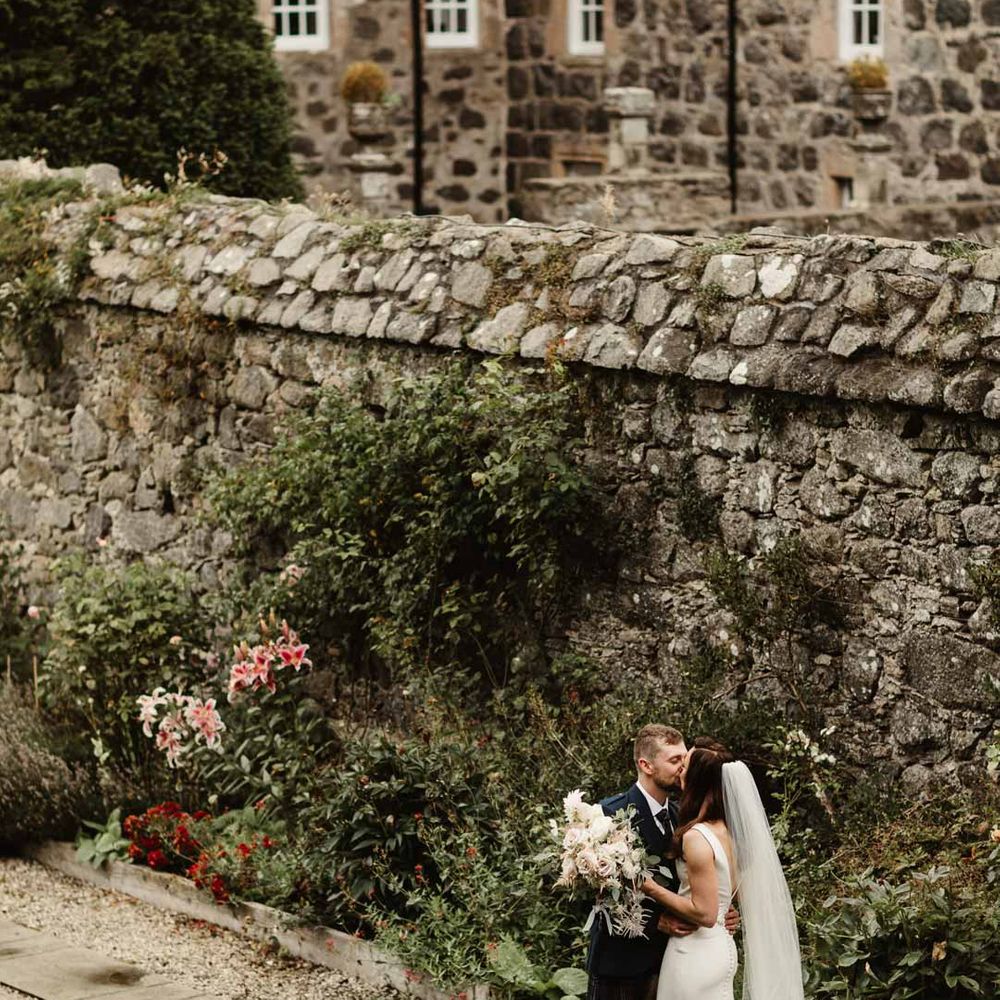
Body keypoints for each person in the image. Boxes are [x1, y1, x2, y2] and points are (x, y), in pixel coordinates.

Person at [641, 738, 805, 1000]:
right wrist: (723, 912)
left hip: (693, 952)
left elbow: (704, 914)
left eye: (685, 766)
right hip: (722, 948)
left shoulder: (696, 836)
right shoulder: (731, 831)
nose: (680, 771)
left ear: (698, 779)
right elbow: (729, 896)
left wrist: (649, 887)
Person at [586, 726, 739, 1000]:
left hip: (675, 960)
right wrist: (655, 922)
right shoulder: (609, 815)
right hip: (621, 966)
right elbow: (593, 897)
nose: (682, 768)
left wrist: (723, 911)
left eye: (684, 758)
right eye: (674, 760)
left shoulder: (685, 817)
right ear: (646, 765)